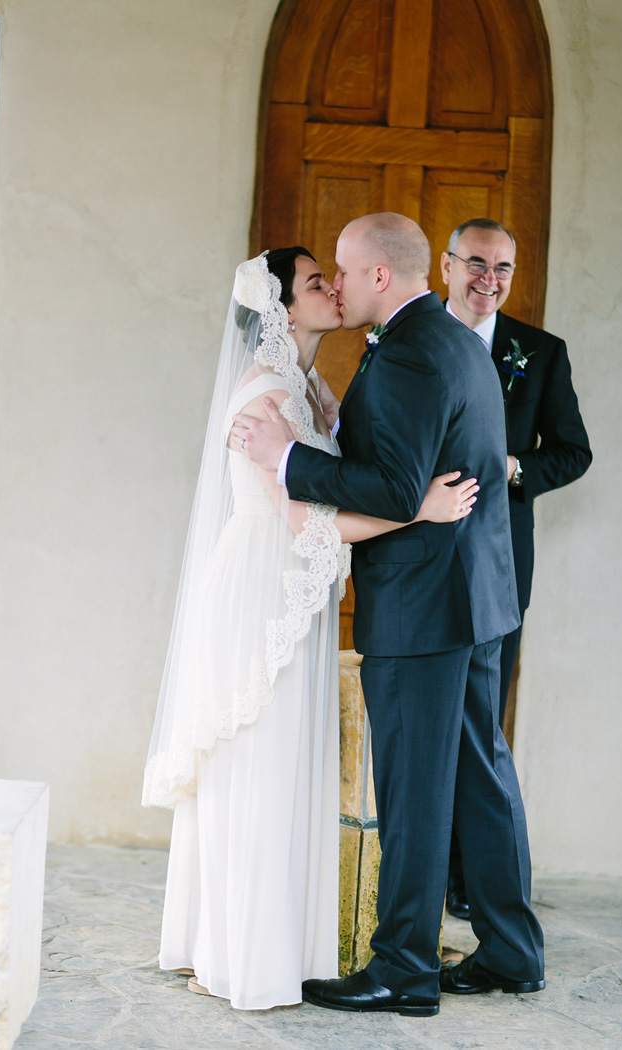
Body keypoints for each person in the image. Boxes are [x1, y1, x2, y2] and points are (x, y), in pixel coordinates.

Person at [141, 247, 477, 1010]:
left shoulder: (309, 386)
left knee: (286, 765)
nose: (333, 287)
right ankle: (235, 952)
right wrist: (414, 509)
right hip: (266, 582)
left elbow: (340, 471)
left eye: (335, 276)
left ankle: (264, 940)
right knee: (256, 765)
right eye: (316, 283)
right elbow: (298, 512)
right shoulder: (265, 393)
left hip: (295, 582)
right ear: (284, 310)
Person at [232, 214, 545, 1016]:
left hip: (424, 608)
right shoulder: (448, 338)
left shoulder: (407, 351)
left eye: (342, 268)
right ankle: (512, 950)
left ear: (378, 275)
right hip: (473, 597)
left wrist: (288, 459)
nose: (335, 283)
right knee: (480, 775)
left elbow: (399, 489)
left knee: (413, 790)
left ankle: (403, 970)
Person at [441, 218, 592, 921]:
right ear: (446, 265)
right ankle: (418, 871)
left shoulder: (539, 351)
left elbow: (572, 450)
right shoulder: (402, 340)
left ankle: (476, 884)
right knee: (423, 725)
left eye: (503, 268)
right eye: (477, 263)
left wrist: (516, 468)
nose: (490, 280)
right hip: (414, 560)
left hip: (499, 564)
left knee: (480, 727)